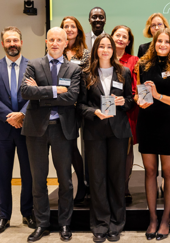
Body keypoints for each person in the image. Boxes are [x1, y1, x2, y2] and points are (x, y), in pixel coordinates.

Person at [21, 27, 81, 242]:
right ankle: (42, 224)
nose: (55, 43)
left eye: (60, 40)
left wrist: (42, 92)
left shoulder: (74, 69)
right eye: (52, 40)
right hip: (36, 129)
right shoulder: (34, 64)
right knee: (39, 180)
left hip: (62, 130)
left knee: (65, 180)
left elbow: (72, 96)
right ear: (46, 42)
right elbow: (26, 91)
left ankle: (65, 224)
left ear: (66, 43)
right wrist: (56, 91)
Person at [77, 33, 133, 242]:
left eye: (109, 46)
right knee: (97, 178)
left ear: (113, 50)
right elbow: (80, 105)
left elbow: (130, 101)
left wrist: (122, 102)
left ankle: (116, 223)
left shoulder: (123, 72)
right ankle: (100, 223)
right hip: (94, 132)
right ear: (96, 50)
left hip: (118, 131)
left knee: (117, 177)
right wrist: (94, 112)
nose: (105, 50)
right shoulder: (86, 74)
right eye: (101, 46)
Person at [135, 28, 170, 240]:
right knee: (149, 172)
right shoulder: (143, 65)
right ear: (154, 43)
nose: (162, 45)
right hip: (146, 122)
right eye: (159, 41)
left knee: (168, 173)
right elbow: (141, 94)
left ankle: (166, 219)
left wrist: (158, 95)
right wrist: (141, 100)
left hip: (168, 124)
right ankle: (153, 219)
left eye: (167, 42)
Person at [0, 26, 35, 234]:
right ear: (3, 44)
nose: (12, 44)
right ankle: (3, 215)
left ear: (21, 42)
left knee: (28, 174)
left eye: (15, 40)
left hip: (26, 128)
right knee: (2, 174)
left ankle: (27, 212)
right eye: (8, 40)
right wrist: (11, 117)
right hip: (3, 129)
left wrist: (22, 114)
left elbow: (36, 95)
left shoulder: (33, 67)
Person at [60, 16, 90, 204]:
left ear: (78, 30)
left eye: (72, 26)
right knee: (69, 147)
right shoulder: (55, 51)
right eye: (66, 26)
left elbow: (85, 79)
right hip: (62, 106)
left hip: (80, 105)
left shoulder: (85, 54)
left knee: (82, 147)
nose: (69, 29)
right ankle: (78, 184)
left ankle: (86, 183)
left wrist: (73, 96)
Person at [111, 25, 139, 205]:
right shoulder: (103, 57)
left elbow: (137, 88)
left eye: (124, 37)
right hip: (105, 113)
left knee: (126, 151)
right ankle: (111, 187)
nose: (120, 39)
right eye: (117, 35)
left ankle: (124, 187)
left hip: (127, 112)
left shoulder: (135, 60)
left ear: (129, 41)